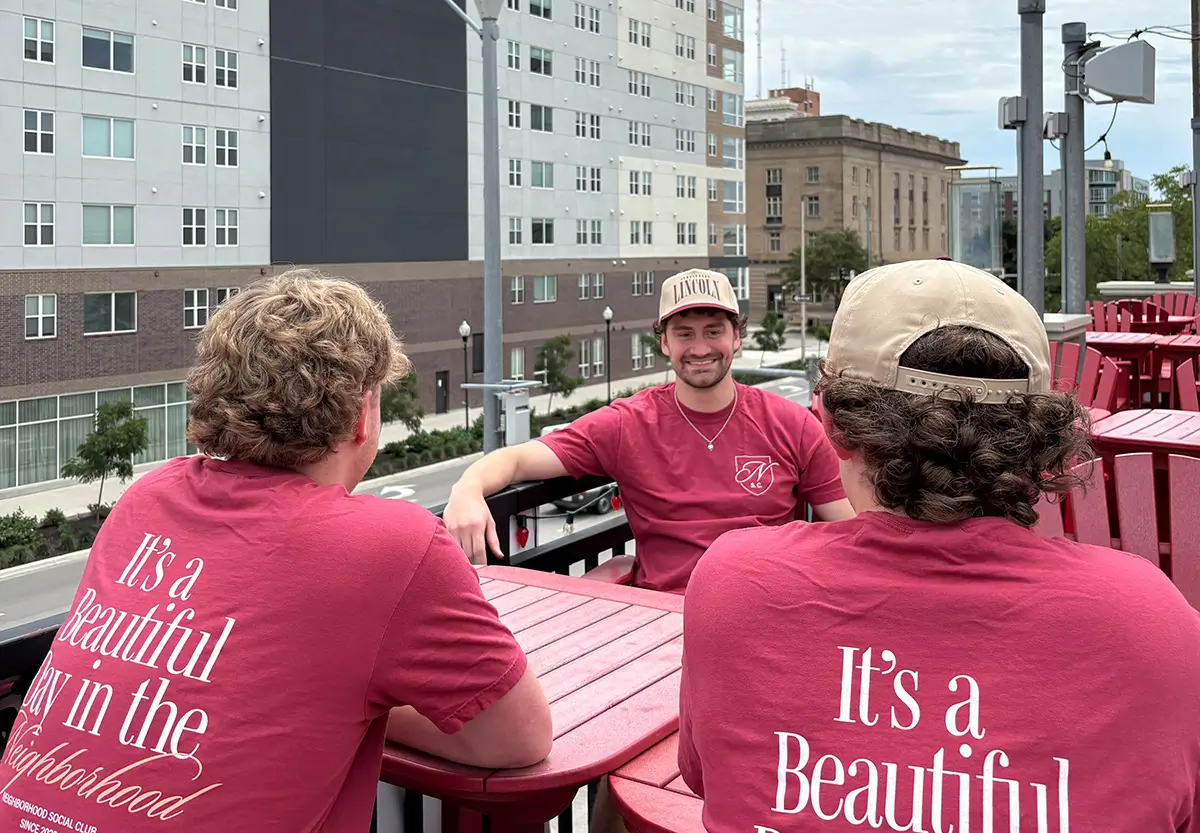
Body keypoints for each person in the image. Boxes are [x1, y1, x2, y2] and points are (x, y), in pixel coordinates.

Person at [0, 270, 552, 833]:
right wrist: (358, 702)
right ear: (363, 414)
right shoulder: (392, 545)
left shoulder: (147, 498)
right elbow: (519, 739)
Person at [677, 259, 1200, 832]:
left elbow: (707, 778)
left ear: (831, 425)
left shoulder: (735, 583)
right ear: (1040, 439)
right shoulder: (1148, 617)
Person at [444, 267, 855, 593]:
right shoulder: (629, 423)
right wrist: (467, 490)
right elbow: (516, 459)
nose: (699, 348)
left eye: (713, 331)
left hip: (767, 613)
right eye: (683, 334)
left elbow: (847, 533)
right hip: (657, 615)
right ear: (664, 343)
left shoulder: (793, 425)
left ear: (736, 338)